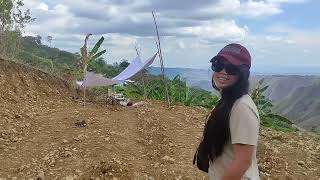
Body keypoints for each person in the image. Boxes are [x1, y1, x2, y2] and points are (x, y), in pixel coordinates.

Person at [202, 43, 260, 180]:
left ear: (242, 74)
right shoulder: (228, 101)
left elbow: (243, 162)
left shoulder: (242, 107)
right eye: (218, 64)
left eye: (231, 68)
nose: (223, 71)